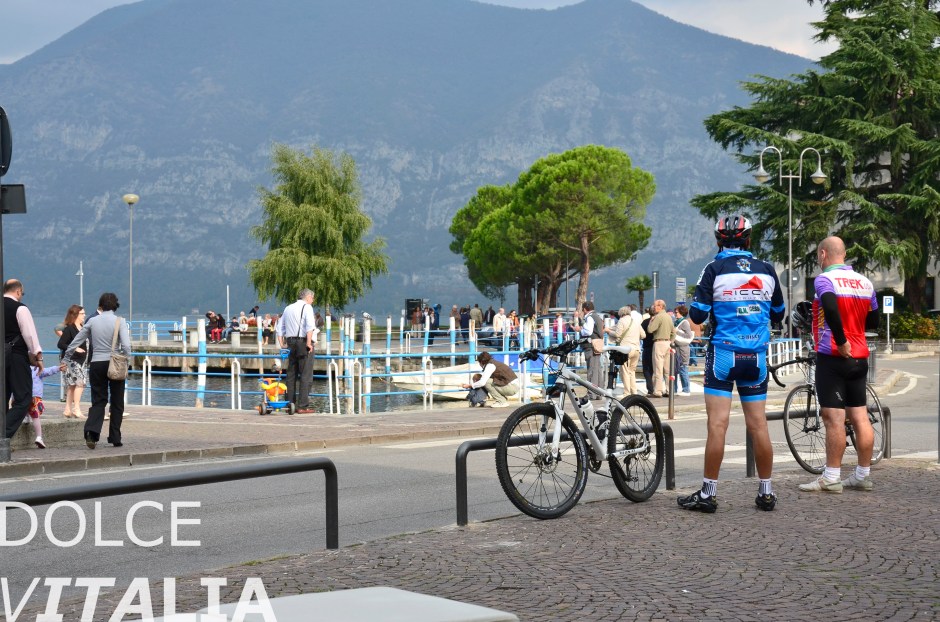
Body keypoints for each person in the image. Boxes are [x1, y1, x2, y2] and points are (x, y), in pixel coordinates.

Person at [678, 215, 785, 513]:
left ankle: (708, 493)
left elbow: (697, 316)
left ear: (718, 242)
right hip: (757, 357)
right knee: (759, 425)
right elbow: (779, 313)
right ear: (749, 241)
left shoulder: (713, 269)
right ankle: (766, 492)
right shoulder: (766, 270)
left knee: (717, 426)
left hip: (723, 355)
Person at [798, 236, 879, 494]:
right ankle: (862, 475)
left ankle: (831, 477)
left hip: (833, 354)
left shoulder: (825, 280)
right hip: (860, 356)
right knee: (860, 417)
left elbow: (830, 308)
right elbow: (874, 321)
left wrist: (841, 339)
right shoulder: (866, 282)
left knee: (833, 418)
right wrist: (854, 335)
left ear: (823, 254)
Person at [62, 292, 132, 449]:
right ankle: (115, 437)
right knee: (117, 402)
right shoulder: (120, 321)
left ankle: (92, 433)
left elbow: (76, 341)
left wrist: (66, 358)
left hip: (96, 364)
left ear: (101, 304)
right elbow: (126, 346)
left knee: (99, 400)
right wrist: (127, 358)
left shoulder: (92, 321)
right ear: (115, 305)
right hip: (114, 363)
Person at [4, 279, 44, 440]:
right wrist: (38, 356)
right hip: (16, 356)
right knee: (23, 398)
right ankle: (3, 435)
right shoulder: (20, 308)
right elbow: (30, 335)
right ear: (18, 291)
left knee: (3, 396)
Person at [276, 288, 319, 414]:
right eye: (312, 297)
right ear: (307, 297)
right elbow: (310, 327)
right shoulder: (307, 307)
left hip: (290, 343)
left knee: (291, 374)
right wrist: (308, 343)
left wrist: (282, 344)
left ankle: (290, 404)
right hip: (302, 342)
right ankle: (302, 406)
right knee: (306, 374)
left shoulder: (288, 308)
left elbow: (280, 329)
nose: (313, 300)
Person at [57, 304, 88, 419]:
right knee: (80, 383)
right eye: (82, 313)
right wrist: (74, 348)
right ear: (75, 315)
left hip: (82, 361)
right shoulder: (70, 328)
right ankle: (77, 409)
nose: (84, 315)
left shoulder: (83, 327)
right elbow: (61, 344)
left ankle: (67, 409)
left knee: (72, 385)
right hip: (72, 360)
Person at [605, 305, 644, 395]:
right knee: (632, 372)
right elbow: (643, 335)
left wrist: (608, 331)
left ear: (621, 314)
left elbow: (618, 334)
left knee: (625, 372)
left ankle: (627, 392)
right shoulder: (636, 321)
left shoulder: (621, 321)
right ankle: (634, 392)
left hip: (626, 349)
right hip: (637, 349)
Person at [573, 300, 605, 396]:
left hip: (591, 345)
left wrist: (580, 329)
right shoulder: (597, 317)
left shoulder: (590, 317)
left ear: (584, 309)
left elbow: (588, 331)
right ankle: (599, 392)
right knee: (598, 369)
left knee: (592, 369)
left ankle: (592, 393)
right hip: (598, 344)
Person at [645, 300, 674, 398]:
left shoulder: (658, 317)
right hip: (667, 343)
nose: (654, 307)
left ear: (660, 306)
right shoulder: (669, 317)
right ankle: (669, 390)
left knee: (658, 368)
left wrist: (651, 321)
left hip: (659, 343)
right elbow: (673, 332)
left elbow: (650, 329)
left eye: (655, 305)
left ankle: (658, 391)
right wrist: (670, 341)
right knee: (667, 369)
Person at [27, 364, 59, 448]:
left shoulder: (21, 368)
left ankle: (26, 418)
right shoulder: (37, 369)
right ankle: (39, 437)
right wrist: (58, 368)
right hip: (35, 396)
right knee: (35, 416)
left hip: (22, 394)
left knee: (23, 409)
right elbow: (48, 371)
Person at [672, 305, 694, 396]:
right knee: (674, 369)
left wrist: (676, 332)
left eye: (676, 312)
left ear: (681, 312)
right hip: (676, 349)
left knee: (683, 368)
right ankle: (674, 389)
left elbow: (688, 336)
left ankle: (686, 389)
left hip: (682, 349)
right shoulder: (676, 322)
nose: (675, 314)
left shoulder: (684, 322)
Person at [640, 307, 654, 394]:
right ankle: (658, 388)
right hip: (656, 346)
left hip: (647, 347)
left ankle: (650, 389)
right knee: (657, 369)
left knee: (647, 369)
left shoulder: (645, 322)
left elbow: (641, 334)